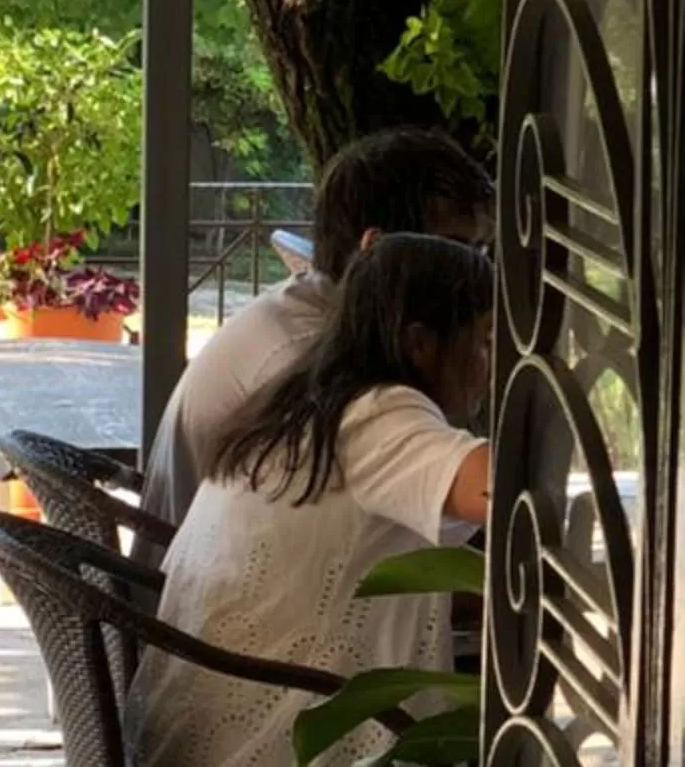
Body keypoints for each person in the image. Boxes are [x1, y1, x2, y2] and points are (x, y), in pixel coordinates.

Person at [130, 237, 492, 767]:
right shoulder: (384, 415)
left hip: (204, 715)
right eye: (485, 339)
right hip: (261, 730)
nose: (491, 363)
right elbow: (508, 490)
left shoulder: (312, 398)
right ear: (420, 342)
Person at [138, 128, 494, 529]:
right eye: (459, 249)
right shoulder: (312, 362)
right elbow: (491, 494)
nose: (478, 273)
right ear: (375, 249)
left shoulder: (309, 317)